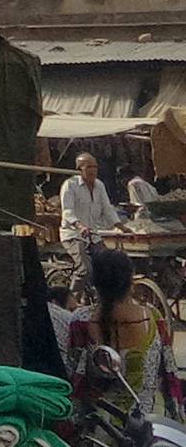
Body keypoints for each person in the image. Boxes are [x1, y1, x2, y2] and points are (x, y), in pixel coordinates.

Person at [67, 247, 174, 417]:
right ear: (131, 283)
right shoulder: (153, 316)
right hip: (149, 419)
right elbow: (168, 371)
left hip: (101, 422)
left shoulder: (81, 320)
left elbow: (75, 375)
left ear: (96, 285)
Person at [60, 152, 121, 278]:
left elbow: (107, 208)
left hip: (93, 235)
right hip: (73, 235)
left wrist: (121, 226)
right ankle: (73, 297)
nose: (93, 170)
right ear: (79, 170)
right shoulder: (70, 185)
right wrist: (80, 226)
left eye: (95, 167)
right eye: (88, 167)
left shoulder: (100, 185)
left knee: (108, 265)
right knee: (85, 270)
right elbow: (67, 211)